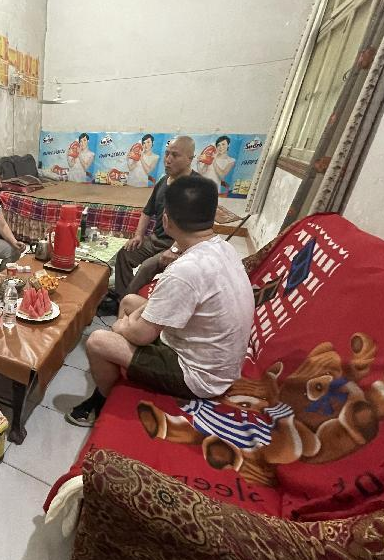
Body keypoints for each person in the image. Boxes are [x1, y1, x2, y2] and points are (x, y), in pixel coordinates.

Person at [66, 175, 254, 426]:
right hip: (214, 358)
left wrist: (122, 327)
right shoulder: (223, 247)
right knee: (129, 300)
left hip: (199, 376)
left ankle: (103, 402)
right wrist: (132, 322)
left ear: (166, 220)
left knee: (98, 341)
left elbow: (141, 335)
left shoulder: (185, 271)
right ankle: (122, 367)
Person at [100, 136, 204, 315]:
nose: (168, 159)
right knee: (125, 253)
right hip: (156, 240)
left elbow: (197, 228)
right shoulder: (163, 181)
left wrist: (175, 249)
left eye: (175, 155)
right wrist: (139, 235)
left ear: (190, 158)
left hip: (178, 246)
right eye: (167, 153)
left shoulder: (198, 187)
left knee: (147, 267)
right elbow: (147, 211)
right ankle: (122, 298)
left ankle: (125, 304)